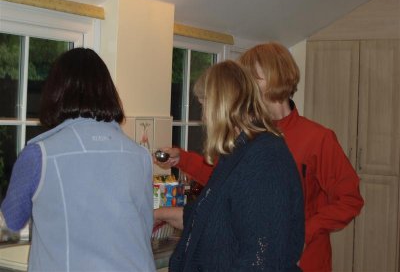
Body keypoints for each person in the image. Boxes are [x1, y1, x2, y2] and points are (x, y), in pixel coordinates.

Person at [155, 42, 364, 272]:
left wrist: (306, 230)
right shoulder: (247, 138)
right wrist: (182, 160)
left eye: (252, 77)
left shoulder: (313, 138)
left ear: (278, 77)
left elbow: (349, 200)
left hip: (303, 258)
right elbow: (228, 187)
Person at [1, 48, 156, 271]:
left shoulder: (38, 155)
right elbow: (143, 226)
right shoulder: (140, 155)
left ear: (56, 92)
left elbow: (12, 223)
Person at [160, 60, 304, 271]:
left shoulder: (264, 157)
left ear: (221, 106)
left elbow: (260, 257)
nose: (204, 119)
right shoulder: (237, 152)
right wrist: (154, 214)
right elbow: (206, 215)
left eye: (204, 106)